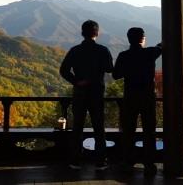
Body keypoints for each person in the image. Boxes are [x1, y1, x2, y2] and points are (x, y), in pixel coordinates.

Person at [60, 20, 113, 170]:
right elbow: (109, 69)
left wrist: (77, 81)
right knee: (99, 127)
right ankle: (100, 161)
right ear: (97, 33)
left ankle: (76, 160)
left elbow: (63, 70)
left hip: (80, 93)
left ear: (82, 33)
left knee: (77, 126)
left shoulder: (74, 50)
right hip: (97, 93)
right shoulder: (102, 50)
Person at [112, 27, 162, 176]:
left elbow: (115, 75)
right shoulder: (150, 53)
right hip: (147, 98)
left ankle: (128, 162)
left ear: (129, 39)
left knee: (128, 131)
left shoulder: (123, 55)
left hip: (130, 97)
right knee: (149, 131)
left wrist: (127, 70)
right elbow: (161, 47)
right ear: (142, 39)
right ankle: (149, 164)